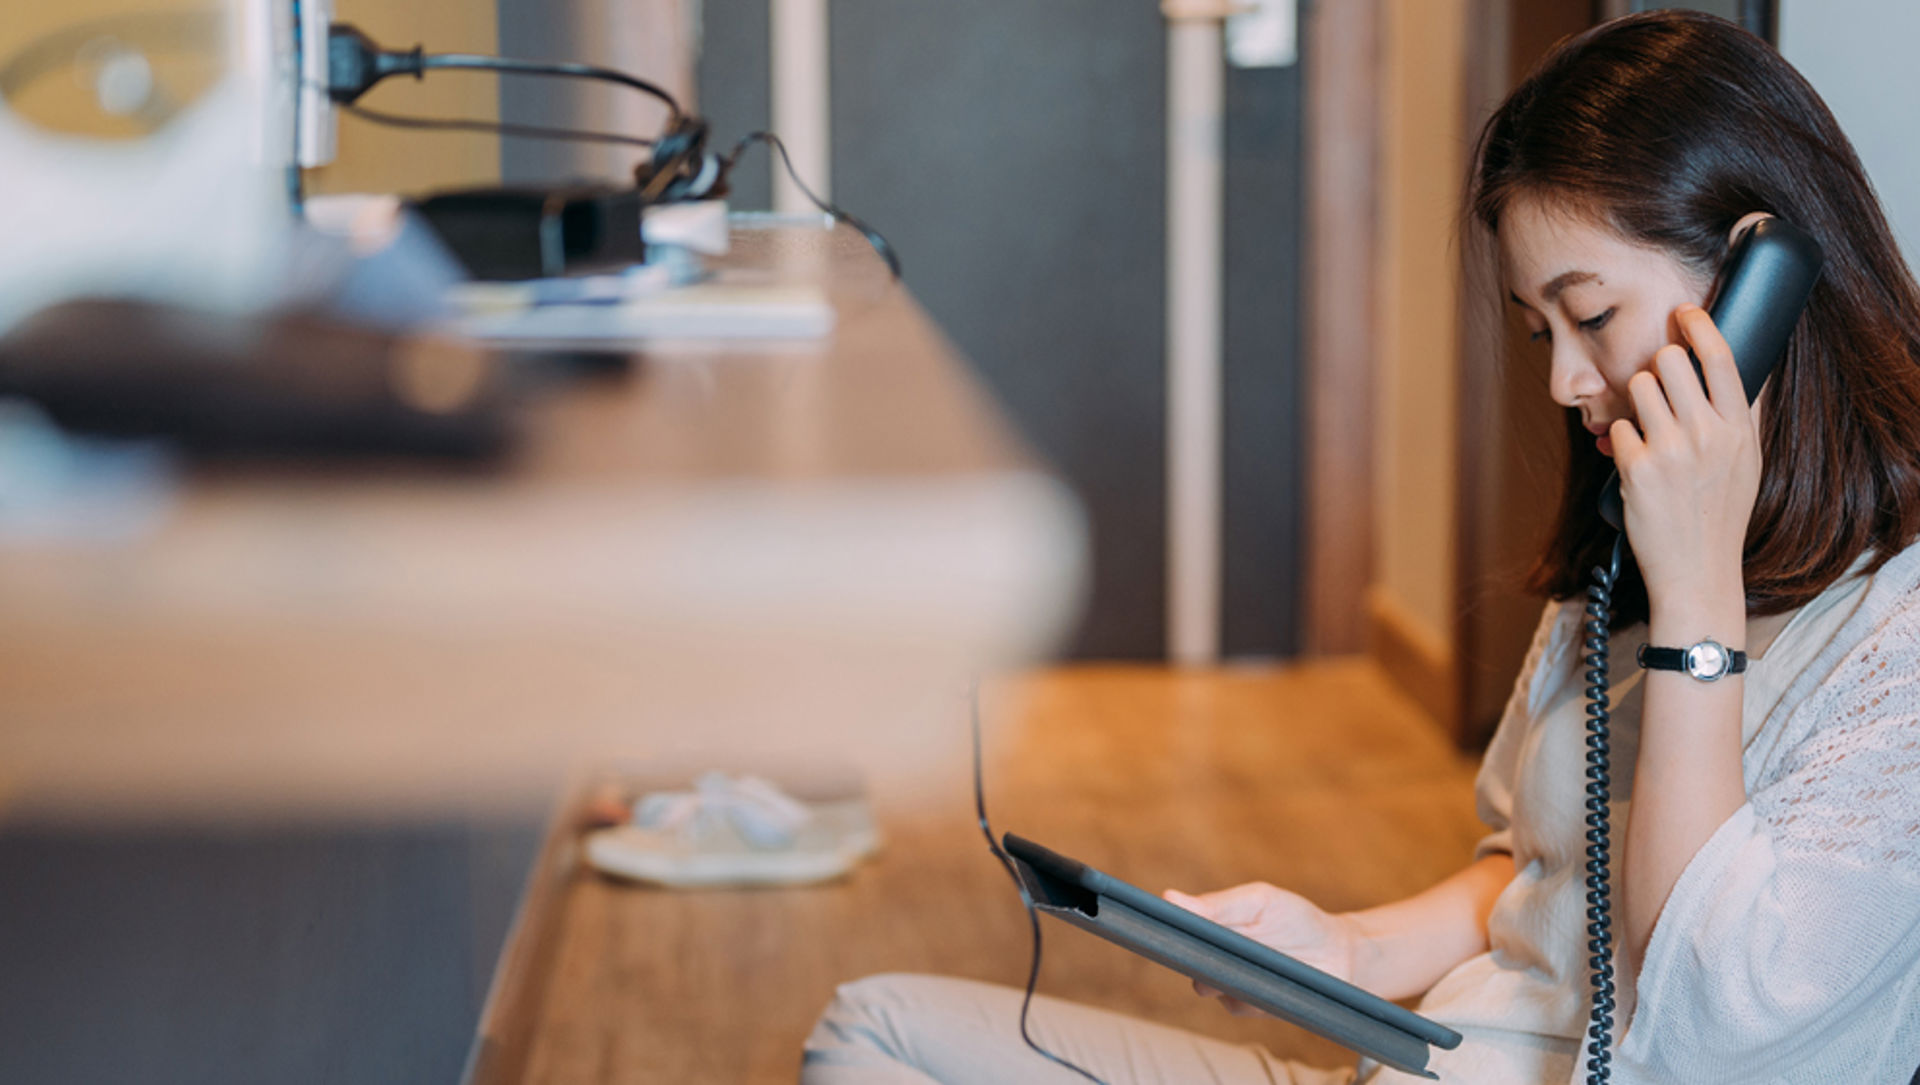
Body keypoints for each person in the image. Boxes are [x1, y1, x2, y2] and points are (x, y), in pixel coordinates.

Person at [798, 11, 1920, 1084]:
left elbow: (1710, 1031)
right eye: (1541, 330)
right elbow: (1533, 868)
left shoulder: (1891, 634)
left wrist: (1698, 610)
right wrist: (1351, 947)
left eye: (1592, 316)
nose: (1564, 381)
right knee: (878, 1029)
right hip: (1422, 1058)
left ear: (1759, 285)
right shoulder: (1623, 543)